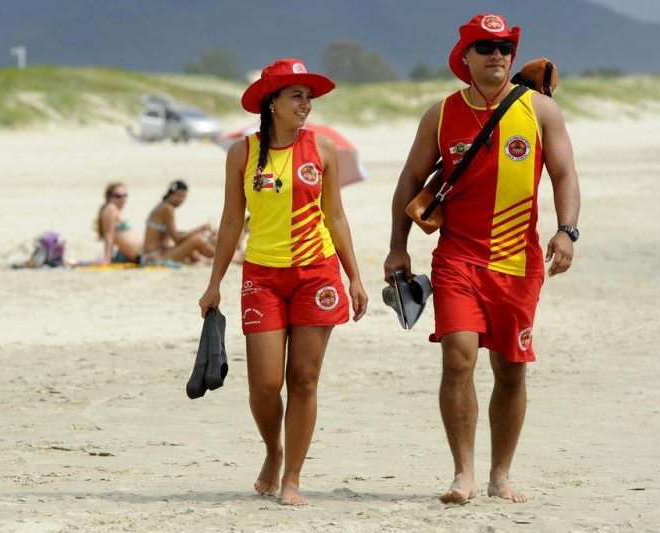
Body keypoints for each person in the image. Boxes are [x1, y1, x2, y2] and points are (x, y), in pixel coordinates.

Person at [384, 14, 580, 504]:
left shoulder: (540, 111)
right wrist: (397, 245)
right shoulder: (441, 114)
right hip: (457, 258)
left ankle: (501, 475)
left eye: (505, 47)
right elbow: (409, 182)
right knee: (458, 357)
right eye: (485, 46)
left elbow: (564, 174)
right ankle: (463, 474)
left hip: (518, 262)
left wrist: (566, 230)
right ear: (465, 57)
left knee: (511, 369)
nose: (497, 54)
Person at [198, 58, 368, 506]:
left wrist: (355, 276)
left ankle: (292, 476)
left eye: (308, 98)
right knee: (265, 385)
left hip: (318, 274)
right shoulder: (243, 153)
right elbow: (233, 219)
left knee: (305, 379)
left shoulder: (323, 149)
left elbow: (335, 215)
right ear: (270, 102)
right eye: (296, 96)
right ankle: (273, 450)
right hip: (262, 276)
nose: (306, 104)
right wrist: (214, 283)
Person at [142, 180, 216, 266]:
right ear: (170, 194)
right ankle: (226, 258)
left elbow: (175, 234)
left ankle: (215, 257)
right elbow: (177, 239)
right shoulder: (167, 209)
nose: (181, 199)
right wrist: (201, 228)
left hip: (155, 254)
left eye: (183, 197)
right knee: (197, 240)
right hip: (154, 257)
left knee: (193, 248)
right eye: (179, 195)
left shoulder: (162, 206)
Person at [96, 182, 143, 264]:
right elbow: (109, 234)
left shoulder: (116, 211)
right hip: (139, 253)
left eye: (125, 196)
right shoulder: (110, 208)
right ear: (109, 197)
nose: (122, 199)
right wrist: (107, 258)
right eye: (118, 196)